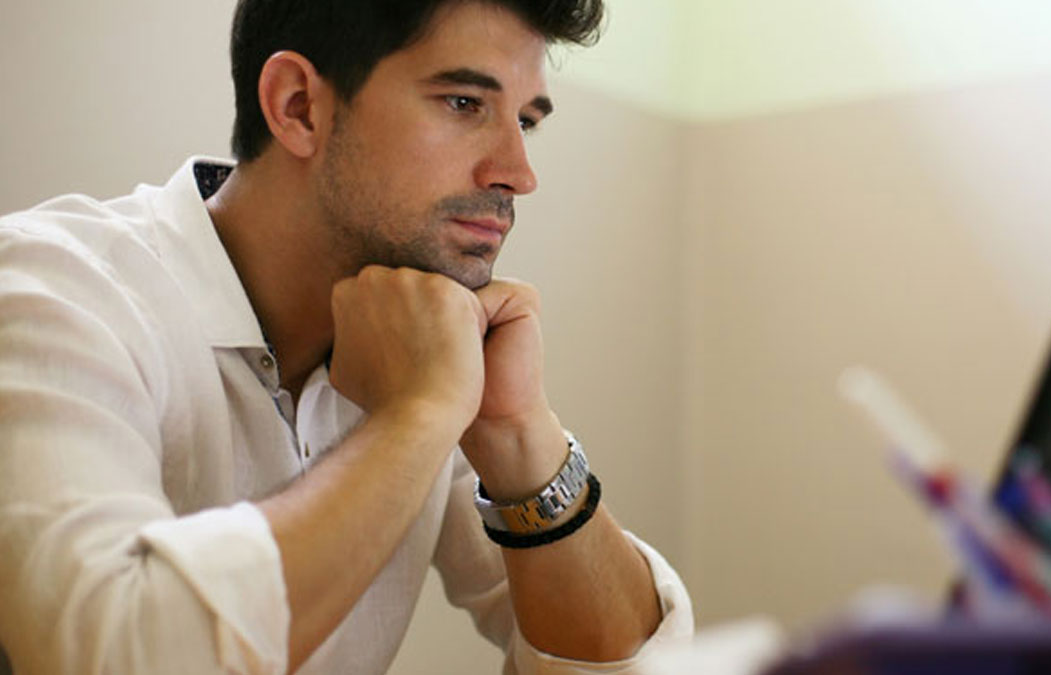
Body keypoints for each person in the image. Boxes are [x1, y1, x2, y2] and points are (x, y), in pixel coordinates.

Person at [0, 1, 693, 673]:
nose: (518, 173)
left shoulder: (424, 339)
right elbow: (110, 655)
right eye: (463, 103)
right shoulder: (51, 291)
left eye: (525, 121)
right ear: (300, 105)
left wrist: (517, 433)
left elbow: (633, 666)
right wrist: (415, 417)